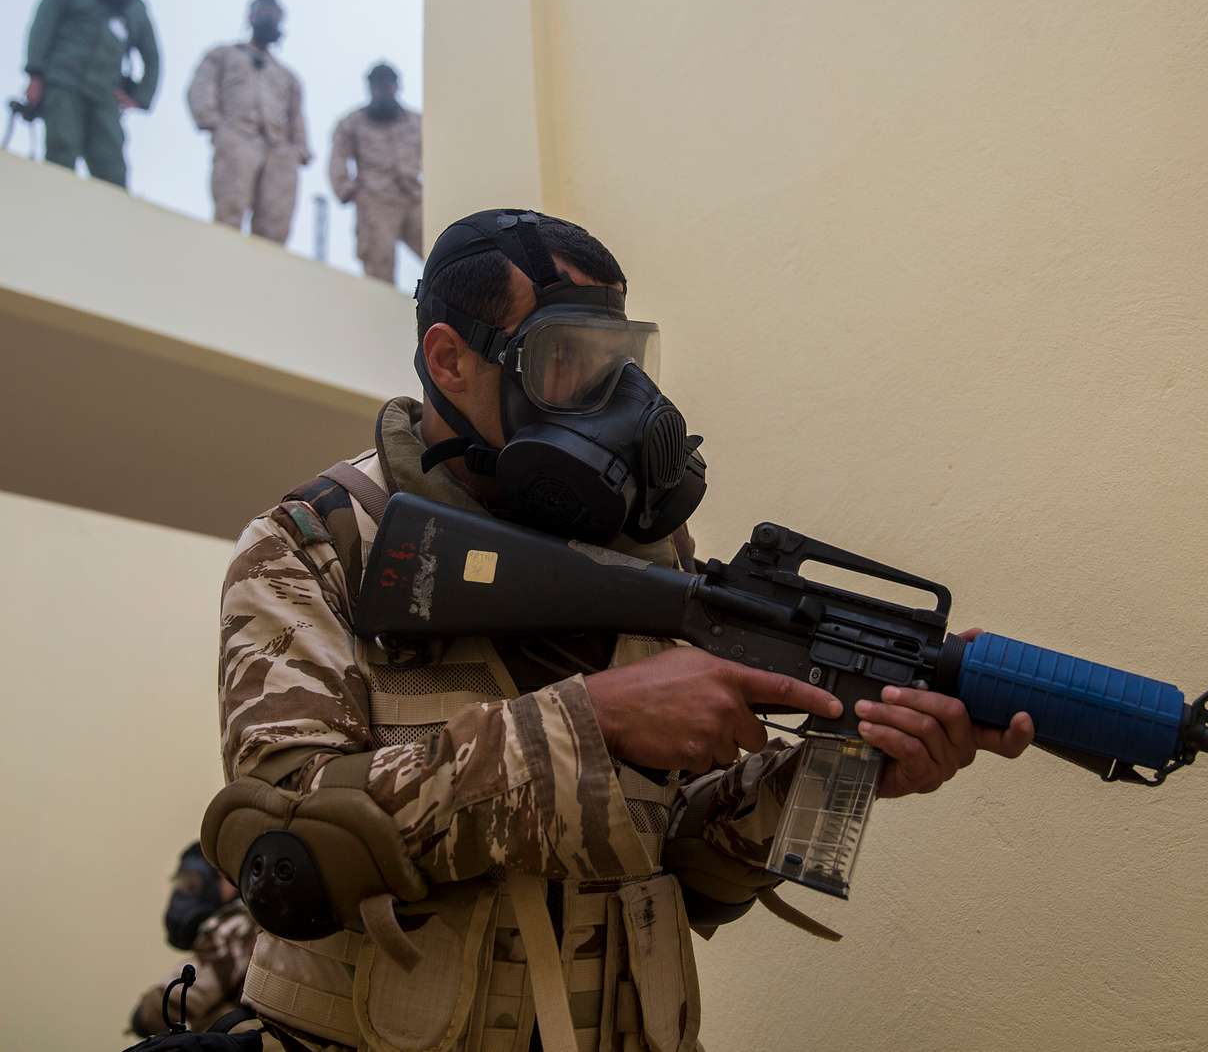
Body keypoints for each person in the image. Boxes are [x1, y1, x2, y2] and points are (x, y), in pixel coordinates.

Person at [206, 209, 1034, 1052]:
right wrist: (593, 719)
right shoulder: (318, 544)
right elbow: (286, 845)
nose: (618, 403)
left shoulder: (655, 557)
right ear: (451, 359)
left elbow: (678, 857)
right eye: (567, 361)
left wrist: (830, 774)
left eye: (621, 364)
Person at [21, 0, 160, 188]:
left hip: (104, 95)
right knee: (62, 150)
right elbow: (43, 27)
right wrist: (35, 74)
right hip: (63, 83)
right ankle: (54, 211)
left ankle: (112, 223)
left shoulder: (136, 10)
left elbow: (153, 58)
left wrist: (140, 96)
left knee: (112, 167)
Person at [186, 0, 309, 245]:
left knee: (276, 222)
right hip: (237, 136)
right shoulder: (224, 55)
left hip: (278, 149)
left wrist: (298, 150)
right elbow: (201, 87)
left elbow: (296, 116)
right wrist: (214, 124)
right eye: (263, 11)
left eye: (275, 14)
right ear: (250, 16)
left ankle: (265, 278)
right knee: (230, 209)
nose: (269, 18)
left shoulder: (287, 76)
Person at [129, 844, 259, 1038]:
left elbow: (174, 1003)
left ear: (228, 882)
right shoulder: (260, 921)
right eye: (182, 883)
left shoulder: (238, 924)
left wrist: (145, 1012)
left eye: (193, 885)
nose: (183, 895)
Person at [328, 62, 422, 285]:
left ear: (396, 86)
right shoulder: (352, 122)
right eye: (378, 85)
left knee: (440, 247)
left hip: (414, 198)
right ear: (370, 88)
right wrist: (344, 187)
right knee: (379, 263)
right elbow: (338, 157)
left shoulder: (416, 122)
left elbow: (438, 153)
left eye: (388, 84)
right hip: (375, 200)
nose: (383, 89)